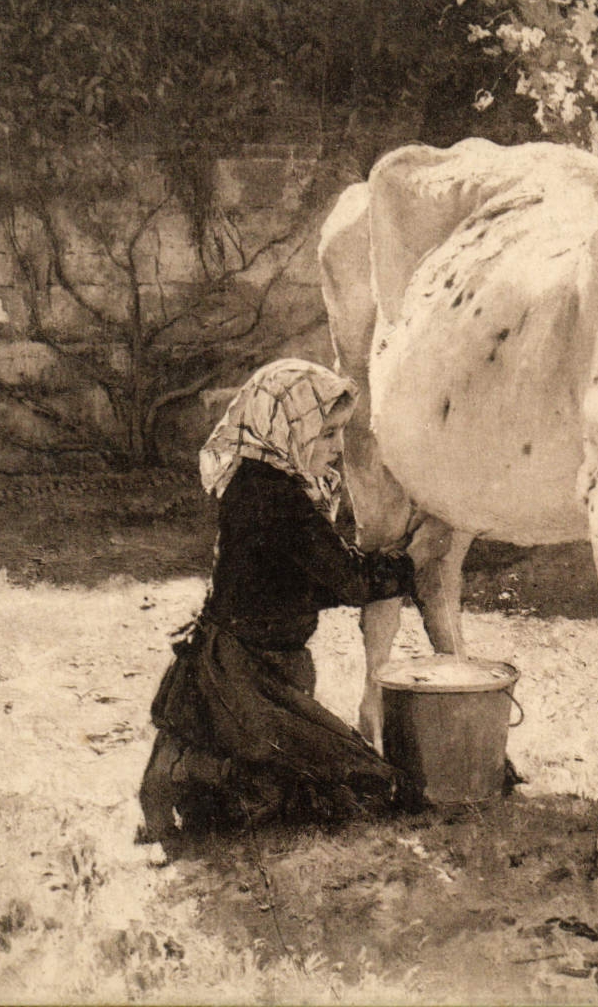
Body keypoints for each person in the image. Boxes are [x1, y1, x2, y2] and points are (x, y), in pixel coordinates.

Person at [138, 359, 418, 842]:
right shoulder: (275, 497)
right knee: (365, 785)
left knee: (336, 779)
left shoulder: (262, 483)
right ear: (288, 428)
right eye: (326, 434)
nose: (338, 448)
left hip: (264, 667)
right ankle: (189, 769)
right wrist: (411, 561)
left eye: (339, 433)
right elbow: (351, 582)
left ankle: (202, 769)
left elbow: (306, 583)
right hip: (240, 675)